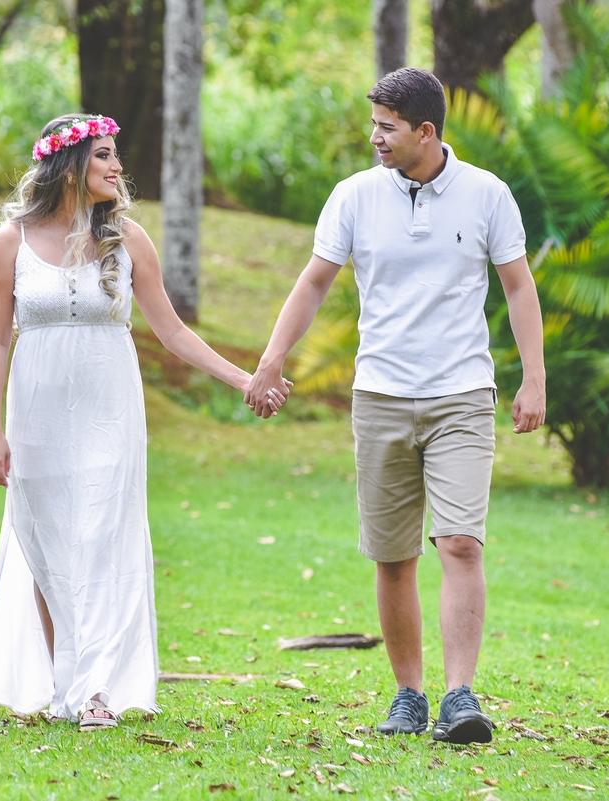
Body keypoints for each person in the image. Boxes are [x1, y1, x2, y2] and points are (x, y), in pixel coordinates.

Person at [246, 68, 546, 744]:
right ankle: (408, 695)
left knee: (461, 541)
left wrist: (535, 379)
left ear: (425, 131)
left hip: (461, 393)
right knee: (393, 554)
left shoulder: (487, 195)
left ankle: (459, 695)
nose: (374, 137)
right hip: (380, 393)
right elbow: (314, 281)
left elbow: (519, 288)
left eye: (386, 127)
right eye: (374, 124)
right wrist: (272, 359)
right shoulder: (353, 197)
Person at [0, 114, 288, 731]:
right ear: (69, 166)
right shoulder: (13, 241)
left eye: (116, 157)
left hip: (109, 406)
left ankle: (94, 691)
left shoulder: (128, 239)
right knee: (44, 543)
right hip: (34, 405)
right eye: (105, 157)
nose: (118, 168)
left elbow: (171, 332)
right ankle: (67, 677)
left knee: (98, 536)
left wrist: (247, 380)